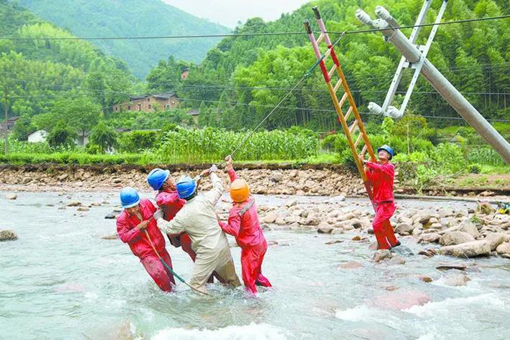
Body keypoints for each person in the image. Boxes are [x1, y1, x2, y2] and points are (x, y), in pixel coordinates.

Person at [155, 165, 241, 294]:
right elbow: (218, 187)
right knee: (232, 281)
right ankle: (245, 302)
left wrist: (158, 219)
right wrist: (212, 174)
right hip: (223, 245)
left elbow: (169, 228)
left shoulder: (182, 215)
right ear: (195, 189)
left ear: (182, 196)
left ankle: (211, 310)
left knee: (196, 285)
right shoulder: (206, 199)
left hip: (206, 252)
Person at [147, 168, 222, 283]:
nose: (172, 178)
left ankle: (213, 288)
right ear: (165, 183)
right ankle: (213, 288)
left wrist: (199, 177)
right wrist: (184, 189)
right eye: (170, 177)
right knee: (207, 266)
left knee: (210, 265)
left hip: (193, 233)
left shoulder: (174, 190)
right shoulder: (161, 197)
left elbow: (188, 192)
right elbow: (170, 199)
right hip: (186, 237)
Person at [218, 156, 272, 295]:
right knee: (257, 275)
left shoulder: (235, 212)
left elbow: (233, 231)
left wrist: (218, 222)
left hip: (250, 249)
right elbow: (239, 186)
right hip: (261, 243)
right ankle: (271, 291)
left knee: (248, 281)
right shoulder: (250, 199)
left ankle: (253, 306)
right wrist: (230, 169)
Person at [116, 187, 175, 292]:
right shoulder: (122, 219)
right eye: (129, 208)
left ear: (138, 202)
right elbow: (124, 237)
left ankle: (174, 294)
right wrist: (138, 228)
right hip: (146, 253)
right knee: (160, 275)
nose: (133, 210)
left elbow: (157, 214)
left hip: (160, 247)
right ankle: (170, 298)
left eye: (134, 207)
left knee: (170, 274)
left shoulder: (147, 203)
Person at [361, 145, 401, 250]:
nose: (382, 152)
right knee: (384, 223)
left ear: (389, 156)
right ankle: (394, 242)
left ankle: (384, 246)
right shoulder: (378, 169)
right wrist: (367, 170)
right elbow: (371, 181)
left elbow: (380, 169)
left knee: (376, 225)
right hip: (379, 202)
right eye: (380, 151)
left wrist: (367, 162)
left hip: (387, 203)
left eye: (385, 152)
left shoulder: (389, 167)